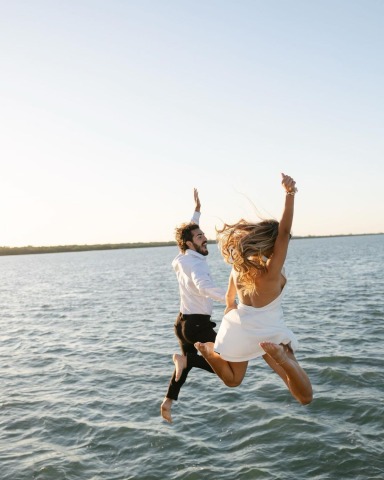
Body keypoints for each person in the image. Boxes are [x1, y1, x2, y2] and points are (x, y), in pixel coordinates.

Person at [195, 173, 313, 405]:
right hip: (269, 331)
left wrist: (231, 315)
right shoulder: (270, 272)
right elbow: (285, 231)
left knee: (233, 380)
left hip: (240, 325)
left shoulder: (239, 268)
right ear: (274, 244)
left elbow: (230, 300)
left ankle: (209, 352)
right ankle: (282, 358)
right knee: (304, 397)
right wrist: (289, 194)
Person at [161, 188, 226, 423]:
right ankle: (185, 360)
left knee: (184, 365)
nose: (204, 238)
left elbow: (188, 233)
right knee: (225, 364)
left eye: (202, 234)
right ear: (189, 244)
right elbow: (204, 288)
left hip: (182, 323)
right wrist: (232, 300)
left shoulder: (182, 257)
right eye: (199, 237)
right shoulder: (196, 265)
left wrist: (197, 212)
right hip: (197, 325)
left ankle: (168, 401)